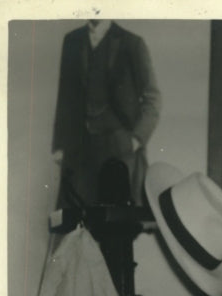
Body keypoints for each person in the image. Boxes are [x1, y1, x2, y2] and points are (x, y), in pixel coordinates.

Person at [53, 20, 161, 206]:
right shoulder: (72, 40)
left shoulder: (132, 43)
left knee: (116, 222)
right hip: (80, 149)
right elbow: (66, 96)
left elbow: (153, 98)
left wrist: (135, 140)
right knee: (75, 219)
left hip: (119, 149)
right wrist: (60, 145)